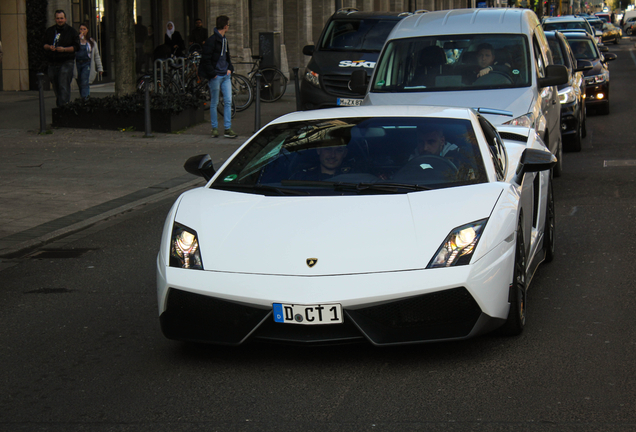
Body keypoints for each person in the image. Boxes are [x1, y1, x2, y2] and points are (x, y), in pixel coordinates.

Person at [199, 15, 238, 138]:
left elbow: (227, 57)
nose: (228, 27)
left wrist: (229, 69)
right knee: (215, 102)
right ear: (225, 26)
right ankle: (214, 128)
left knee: (228, 101)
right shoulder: (212, 41)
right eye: (228, 25)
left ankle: (227, 128)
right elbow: (206, 59)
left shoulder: (224, 39)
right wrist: (213, 74)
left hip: (225, 75)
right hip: (216, 76)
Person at [43, 10, 79, 107]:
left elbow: (76, 47)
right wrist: (49, 47)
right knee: (56, 86)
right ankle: (61, 105)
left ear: (65, 19)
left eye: (61, 18)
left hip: (66, 61)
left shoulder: (71, 31)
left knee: (63, 84)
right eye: (58, 18)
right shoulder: (50, 31)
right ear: (55, 19)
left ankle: (63, 107)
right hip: (53, 62)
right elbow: (43, 44)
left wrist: (64, 50)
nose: (60, 20)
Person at [73, 23, 103, 100]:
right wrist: (78, 40)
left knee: (84, 82)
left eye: (84, 29)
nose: (82, 31)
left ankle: (86, 100)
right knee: (80, 83)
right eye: (81, 29)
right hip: (77, 64)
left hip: (87, 64)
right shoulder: (76, 40)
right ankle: (83, 98)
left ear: (87, 30)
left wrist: (100, 68)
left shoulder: (91, 42)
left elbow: (96, 56)